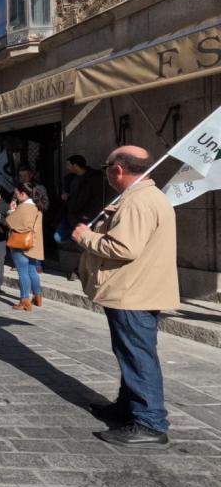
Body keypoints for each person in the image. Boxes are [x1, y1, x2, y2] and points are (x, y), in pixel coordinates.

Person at [72, 146, 179, 446]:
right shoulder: (142, 197)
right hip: (135, 288)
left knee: (136, 354)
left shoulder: (139, 201)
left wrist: (86, 237)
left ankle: (150, 422)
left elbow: (124, 247)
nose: (105, 172)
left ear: (118, 169)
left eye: (106, 166)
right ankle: (128, 406)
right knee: (130, 352)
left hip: (134, 291)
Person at [5, 182, 48, 311]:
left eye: (16, 194)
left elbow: (10, 222)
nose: (16, 196)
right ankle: (37, 296)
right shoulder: (37, 206)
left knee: (22, 272)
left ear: (23, 193)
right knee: (32, 271)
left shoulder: (24, 207)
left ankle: (24, 300)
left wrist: (11, 211)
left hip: (21, 243)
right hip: (33, 243)